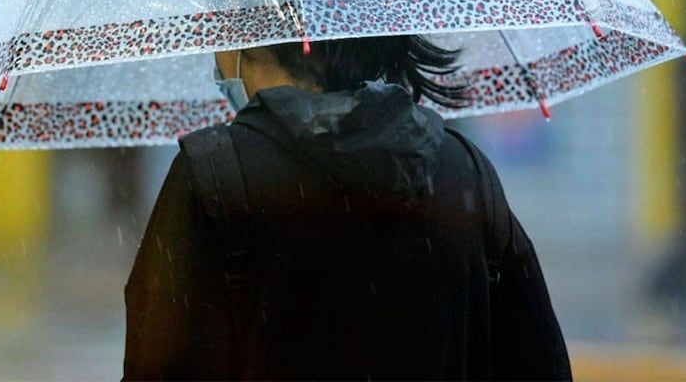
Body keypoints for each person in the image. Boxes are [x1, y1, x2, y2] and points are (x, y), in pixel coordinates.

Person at [122, 35, 571, 381]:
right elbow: (537, 363)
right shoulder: (463, 172)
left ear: (252, 34)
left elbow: (160, 366)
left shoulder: (215, 178)